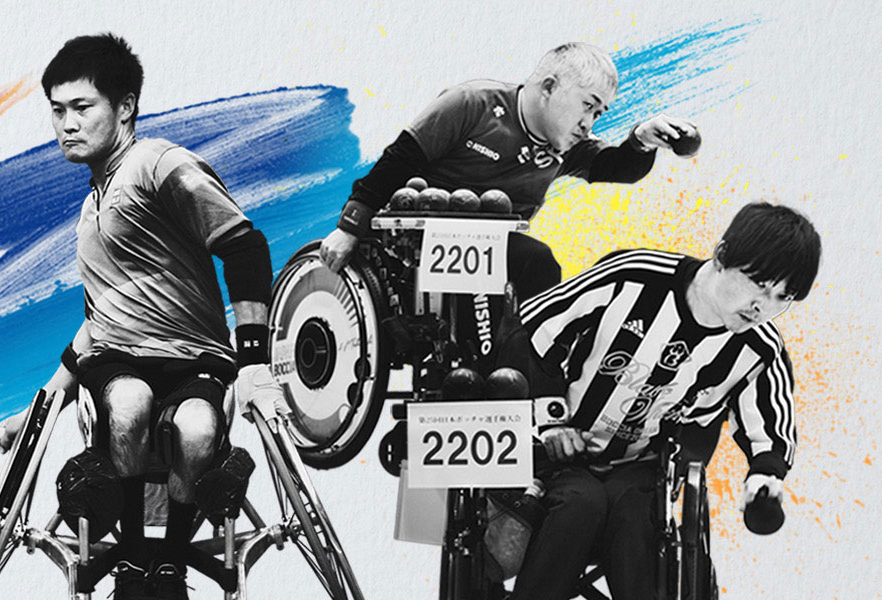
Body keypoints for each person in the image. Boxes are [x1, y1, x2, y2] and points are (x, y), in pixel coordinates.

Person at [26, 33, 274, 600]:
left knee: (198, 429)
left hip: (196, 358)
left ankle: (171, 567)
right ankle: (134, 561)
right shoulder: (90, 209)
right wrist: (43, 402)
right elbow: (98, 321)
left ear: (126, 107)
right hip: (118, 362)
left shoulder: (159, 164)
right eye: (57, 111)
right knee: (131, 401)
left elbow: (245, 248)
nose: (67, 124)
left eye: (82, 107)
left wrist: (255, 363)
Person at [504, 202, 816, 599]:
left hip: (641, 467)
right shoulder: (633, 278)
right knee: (580, 505)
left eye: (782, 297)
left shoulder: (758, 349)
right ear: (721, 256)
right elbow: (534, 328)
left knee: (637, 517)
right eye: (758, 284)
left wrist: (764, 479)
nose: (763, 307)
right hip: (557, 453)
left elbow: (770, 428)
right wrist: (552, 420)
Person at [317, 42, 700, 300]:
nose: (589, 123)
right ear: (548, 87)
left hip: (490, 245)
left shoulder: (568, 144)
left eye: (599, 114)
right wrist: (350, 228)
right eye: (588, 105)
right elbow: (398, 160)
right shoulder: (470, 103)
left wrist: (641, 140)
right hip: (415, 238)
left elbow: (617, 167)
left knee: (538, 261)